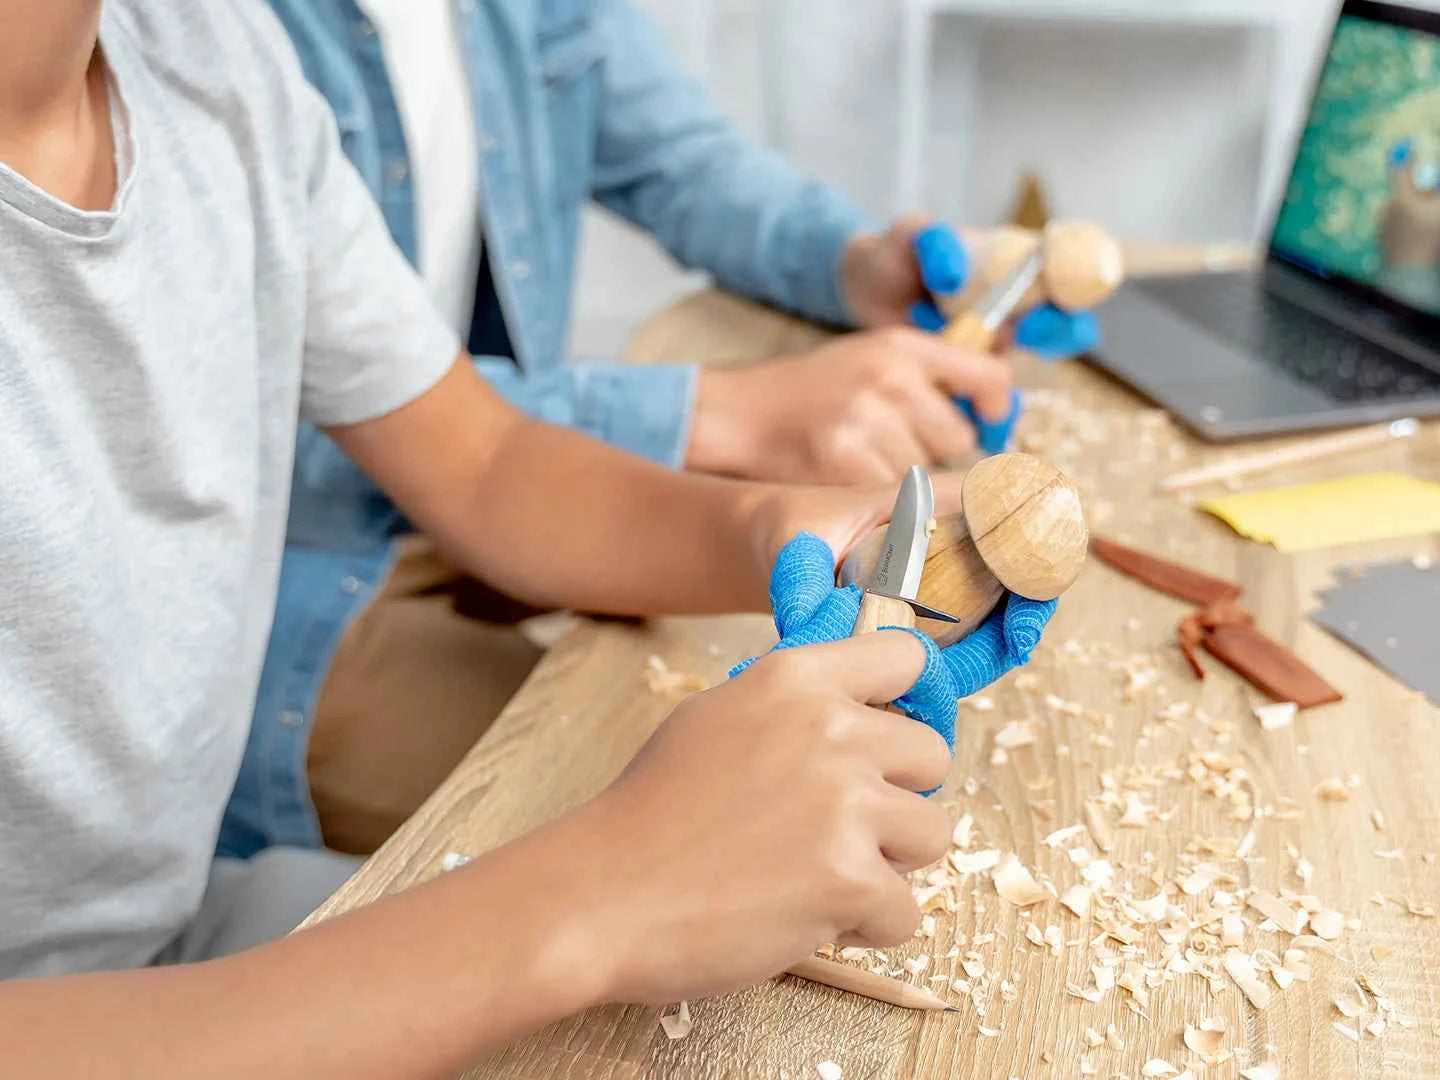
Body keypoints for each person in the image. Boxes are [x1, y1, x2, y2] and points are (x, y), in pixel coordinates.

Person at [0, 1, 1054, 1072]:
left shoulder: (213, 61)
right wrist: (602, 892)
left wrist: (781, 525)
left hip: (172, 944)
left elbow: (484, 463)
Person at [221, 0, 1101, 858]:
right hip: (281, 578)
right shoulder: (218, 52)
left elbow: (687, 164)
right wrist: (726, 417)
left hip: (490, 483)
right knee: (651, 794)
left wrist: (852, 264)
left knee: (746, 780)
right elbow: (275, 412)